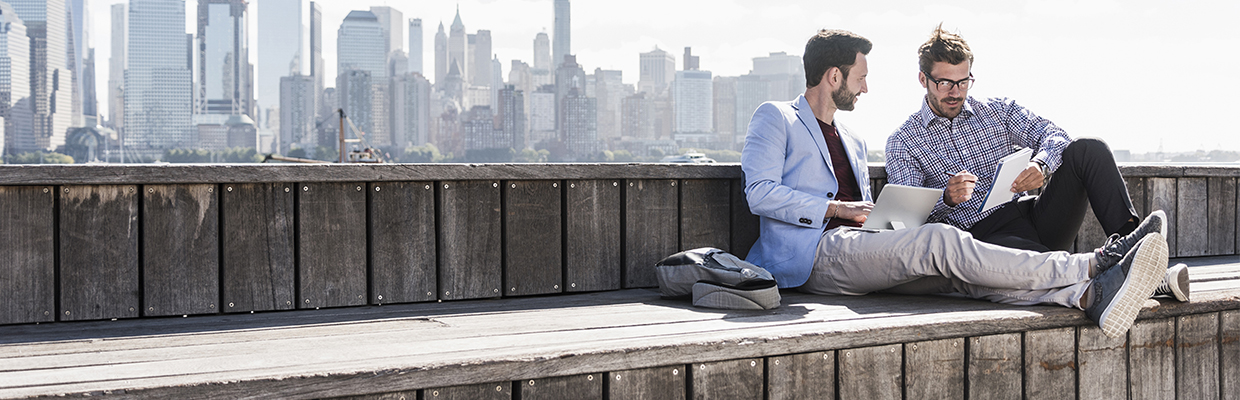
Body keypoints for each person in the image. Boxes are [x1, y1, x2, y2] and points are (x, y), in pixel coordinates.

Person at [741, 29, 1169, 338]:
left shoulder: (854, 139)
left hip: (875, 244)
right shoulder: (778, 117)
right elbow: (759, 192)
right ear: (835, 77)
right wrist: (844, 209)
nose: (866, 87)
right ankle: (1098, 266)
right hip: (820, 248)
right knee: (947, 249)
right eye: (860, 77)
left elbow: (894, 219)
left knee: (963, 276)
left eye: (963, 81)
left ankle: (1091, 295)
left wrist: (1041, 163)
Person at [884, 25, 1189, 301]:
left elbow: (1055, 134)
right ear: (923, 79)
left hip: (1032, 215)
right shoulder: (903, 141)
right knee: (1030, 262)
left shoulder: (998, 111)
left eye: (964, 82)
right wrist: (947, 199)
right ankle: (1143, 277)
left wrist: (1042, 165)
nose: (956, 92)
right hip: (983, 243)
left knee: (1088, 150)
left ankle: (1133, 252)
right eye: (945, 84)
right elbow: (907, 228)